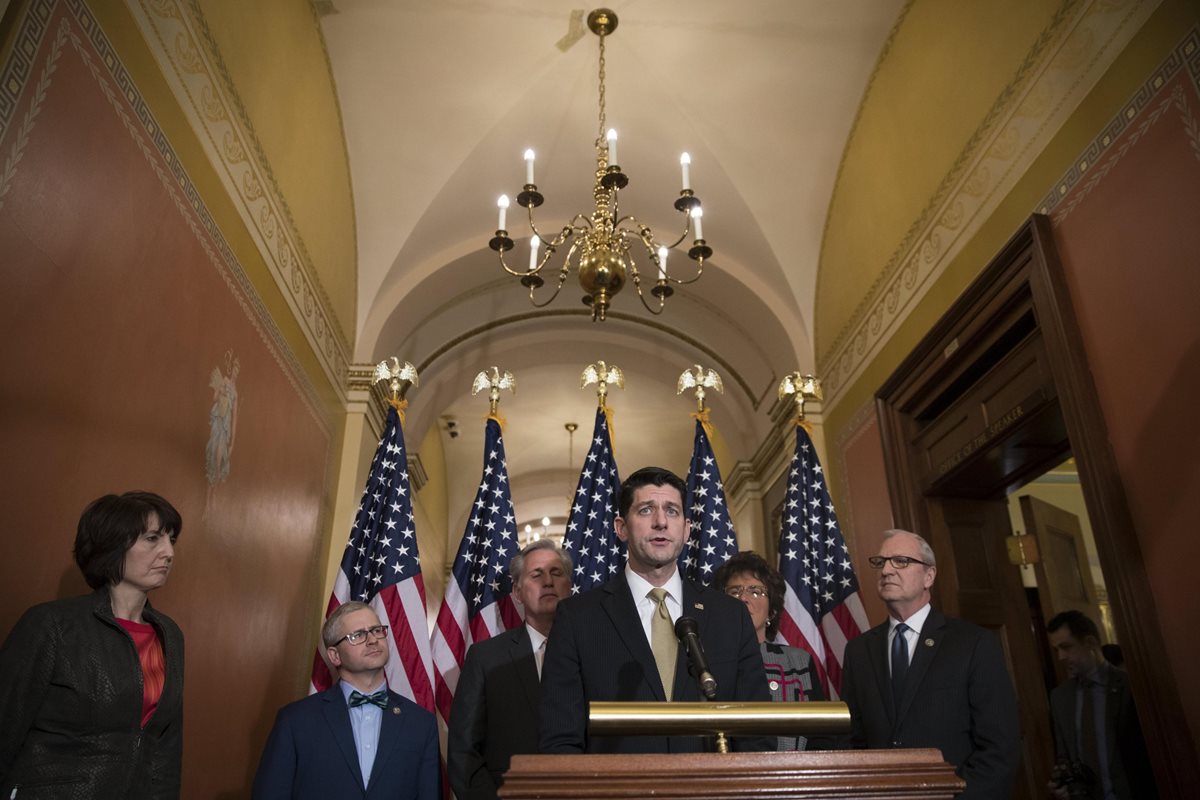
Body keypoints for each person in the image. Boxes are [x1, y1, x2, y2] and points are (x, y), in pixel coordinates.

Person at [539, 466, 771, 754]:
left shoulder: (730, 616)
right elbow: (561, 740)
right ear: (621, 528)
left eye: (672, 511)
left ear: (686, 530)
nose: (661, 522)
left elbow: (757, 735)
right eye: (646, 510)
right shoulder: (577, 618)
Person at [0, 491, 186, 799]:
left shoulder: (169, 634)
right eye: (152, 538)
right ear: (113, 546)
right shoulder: (52, 624)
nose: (169, 552)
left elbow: (166, 749)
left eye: (172, 540)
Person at [840, 529, 1019, 800]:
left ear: (929, 576)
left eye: (900, 561)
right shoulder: (858, 650)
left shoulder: (973, 644)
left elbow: (999, 748)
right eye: (881, 562)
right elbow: (855, 740)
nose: (886, 570)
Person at [253, 601, 439, 800]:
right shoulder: (295, 720)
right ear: (334, 656)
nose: (372, 640)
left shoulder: (421, 722)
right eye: (357, 635)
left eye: (376, 630)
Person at [448, 540, 573, 799]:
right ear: (517, 592)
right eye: (536, 575)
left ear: (569, 586)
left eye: (556, 573)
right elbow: (463, 752)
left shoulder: (595, 651)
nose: (548, 582)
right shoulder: (486, 658)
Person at [713, 550, 826, 750]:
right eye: (734, 591)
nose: (744, 599)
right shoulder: (707, 660)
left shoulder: (798, 662)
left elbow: (821, 734)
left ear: (772, 611)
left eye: (755, 591)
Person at [1046, 610, 1157, 800]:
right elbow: (1064, 756)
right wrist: (1062, 786)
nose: (1060, 657)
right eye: (1057, 649)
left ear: (1090, 642)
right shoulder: (1060, 698)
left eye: (1066, 647)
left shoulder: (1133, 686)